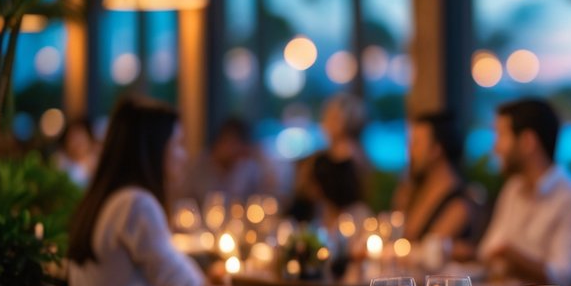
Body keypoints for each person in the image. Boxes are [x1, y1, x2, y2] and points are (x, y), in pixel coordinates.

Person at [68, 95, 234, 286]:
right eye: (178, 144)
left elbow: (178, 279)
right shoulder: (136, 204)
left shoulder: (107, 199)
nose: (184, 155)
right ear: (153, 148)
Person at [475, 98, 571, 286]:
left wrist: (510, 257)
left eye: (501, 136)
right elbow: (488, 251)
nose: (495, 147)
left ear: (528, 141)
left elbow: (563, 279)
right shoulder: (513, 188)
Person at [391, 110, 479, 244]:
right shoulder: (415, 190)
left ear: (436, 150)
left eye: (416, 144)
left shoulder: (459, 204)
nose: (410, 151)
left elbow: (429, 252)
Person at [290, 92, 373, 228]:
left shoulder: (351, 157)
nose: (326, 123)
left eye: (334, 118)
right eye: (327, 116)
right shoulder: (321, 155)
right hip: (322, 221)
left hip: (347, 223)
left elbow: (345, 195)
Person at [181, 116, 279, 204]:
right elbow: (189, 200)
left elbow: (261, 199)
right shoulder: (201, 165)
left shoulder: (247, 167)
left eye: (236, 144)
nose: (232, 148)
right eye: (228, 142)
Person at [54, 116, 100, 188]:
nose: (77, 142)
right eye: (73, 138)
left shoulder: (97, 161)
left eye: (80, 136)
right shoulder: (61, 163)